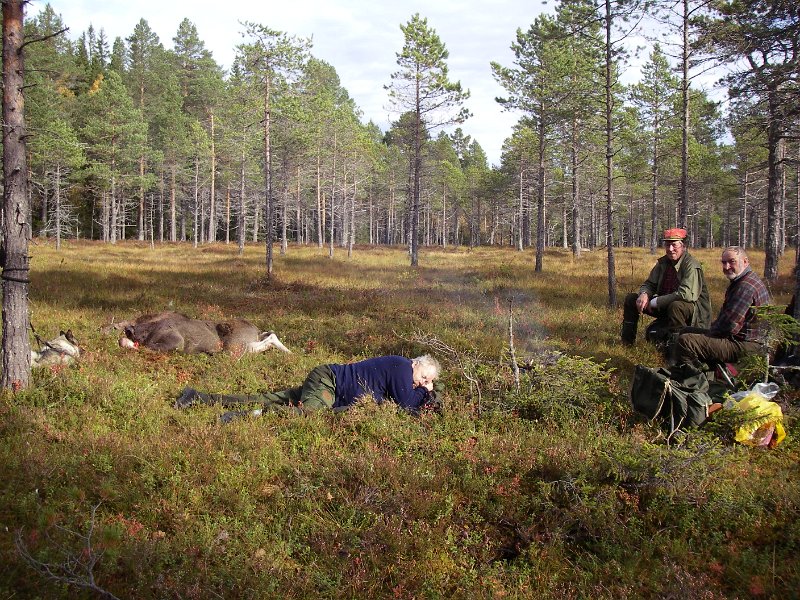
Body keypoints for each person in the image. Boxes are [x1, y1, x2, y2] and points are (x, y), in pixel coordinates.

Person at [175, 354, 442, 422]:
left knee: (270, 398)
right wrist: (426, 393)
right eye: (424, 377)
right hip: (328, 381)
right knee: (309, 413)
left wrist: (425, 393)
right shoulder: (401, 368)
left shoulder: (402, 373)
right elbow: (407, 405)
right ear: (416, 364)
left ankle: (197, 397)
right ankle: (243, 417)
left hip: (329, 384)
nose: (422, 382)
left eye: (427, 381)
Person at [675, 246, 771, 368]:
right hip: (744, 340)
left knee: (686, 341)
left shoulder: (745, 287)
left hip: (746, 345)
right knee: (686, 331)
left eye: (732, 262)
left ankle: (693, 380)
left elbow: (728, 326)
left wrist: (707, 335)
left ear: (745, 261)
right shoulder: (743, 280)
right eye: (724, 262)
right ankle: (706, 371)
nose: (726, 267)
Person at [621, 227, 712, 346]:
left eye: (674, 245)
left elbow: (686, 295)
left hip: (692, 311)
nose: (670, 249)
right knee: (631, 299)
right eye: (667, 245)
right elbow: (649, 284)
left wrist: (655, 302)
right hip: (666, 305)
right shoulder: (663, 263)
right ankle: (627, 343)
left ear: (683, 246)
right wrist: (644, 294)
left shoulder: (691, 265)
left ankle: (676, 350)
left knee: (676, 306)